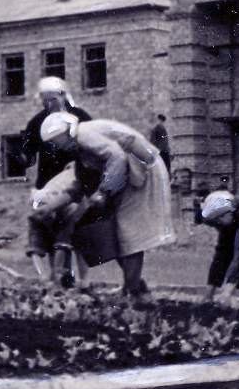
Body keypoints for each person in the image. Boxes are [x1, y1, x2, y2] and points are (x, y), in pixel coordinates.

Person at [40, 112, 174, 298]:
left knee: (129, 232)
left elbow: (117, 157)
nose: (55, 146)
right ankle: (134, 286)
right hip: (131, 172)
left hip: (143, 168)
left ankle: (132, 291)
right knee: (119, 232)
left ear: (66, 131)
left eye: (55, 140)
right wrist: (50, 206)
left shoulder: (83, 134)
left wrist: (103, 192)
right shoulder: (80, 149)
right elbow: (80, 185)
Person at [21, 77, 93, 285]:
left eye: (51, 99)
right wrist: (23, 156)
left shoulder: (80, 117)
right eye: (44, 100)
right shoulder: (37, 121)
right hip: (48, 182)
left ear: (63, 95)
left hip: (76, 182)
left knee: (77, 231)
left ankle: (83, 280)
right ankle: (55, 278)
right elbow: (28, 152)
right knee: (52, 231)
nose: (47, 104)